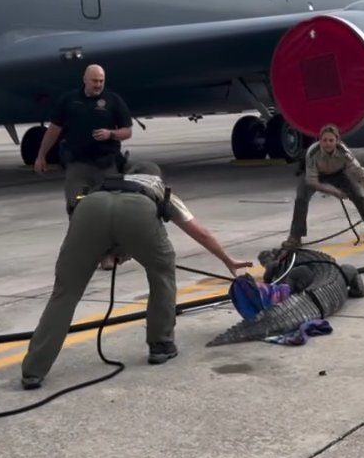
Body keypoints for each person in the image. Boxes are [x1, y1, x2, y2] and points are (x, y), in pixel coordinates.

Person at [20, 160, 253, 389]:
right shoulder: (156, 186)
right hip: (139, 211)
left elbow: (96, 232)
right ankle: (160, 345)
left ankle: (33, 370)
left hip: (90, 208)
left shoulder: (106, 184)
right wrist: (227, 259)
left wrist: (110, 251)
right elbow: (199, 232)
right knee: (162, 271)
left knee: (65, 293)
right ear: (157, 177)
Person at [35, 64, 134, 215]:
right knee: (77, 208)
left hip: (106, 165)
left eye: (101, 81)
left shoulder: (113, 100)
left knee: (111, 210)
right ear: (85, 80)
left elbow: (127, 132)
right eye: (95, 81)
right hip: (78, 167)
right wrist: (41, 156)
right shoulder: (69, 100)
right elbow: (53, 130)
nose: (98, 85)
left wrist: (111, 134)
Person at [283, 123, 364, 248]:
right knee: (301, 198)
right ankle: (295, 237)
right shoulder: (312, 153)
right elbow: (313, 182)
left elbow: (359, 172)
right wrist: (335, 192)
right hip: (315, 176)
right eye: (324, 140)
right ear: (319, 140)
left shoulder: (344, 152)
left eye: (331, 140)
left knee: (358, 197)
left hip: (338, 174)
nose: (327, 143)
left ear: (337, 141)